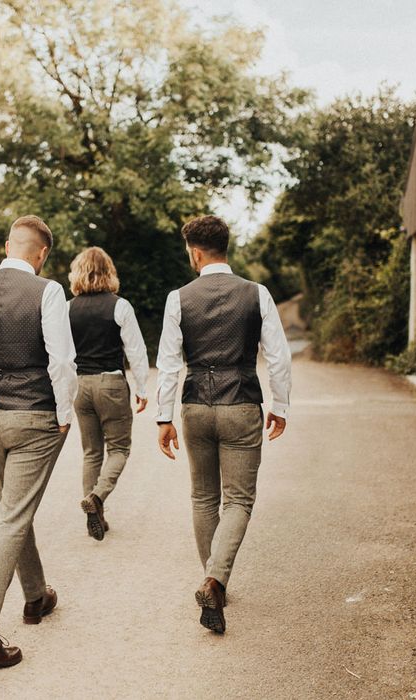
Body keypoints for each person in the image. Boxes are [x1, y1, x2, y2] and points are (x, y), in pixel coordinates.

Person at [155, 214, 292, 634]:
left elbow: (169, 364)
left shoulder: (178, 298)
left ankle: (213, 579)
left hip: (196, 405)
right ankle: (215, 579)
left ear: (195, 252)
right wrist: (280, 405)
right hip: (241, 404)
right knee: (238, 501)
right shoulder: (257, 294)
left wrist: (164, 417)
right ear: (224, 248)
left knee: (202, 498)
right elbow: (279, 357)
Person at [0, 215, 78, 667]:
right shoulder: (48, 292)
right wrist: (64, 416)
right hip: (33, 416)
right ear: (42, 253)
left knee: (13, 507)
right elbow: (62, 362)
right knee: (12, 518)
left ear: (8, 246)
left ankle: (35, 597)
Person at [68, 247, 149, 540]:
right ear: (109, 273)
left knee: (91, 452)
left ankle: (96, 517)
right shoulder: (119, 306)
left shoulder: (67, 308)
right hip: (111, 384)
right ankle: (98, 497)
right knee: (119, 449)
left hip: (80, 385)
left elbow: (61, 354)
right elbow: (135, 351)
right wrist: (141, 388)